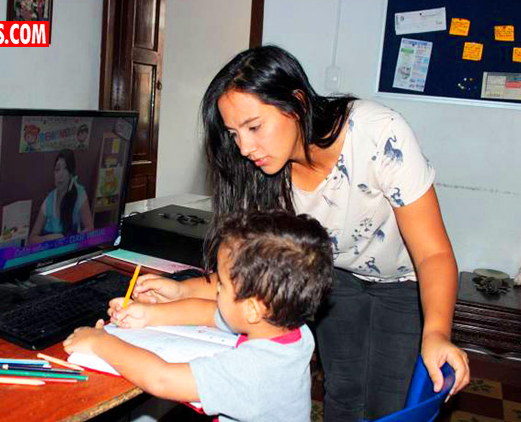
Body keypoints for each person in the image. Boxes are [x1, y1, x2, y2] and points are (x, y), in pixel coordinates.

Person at [130, 46, 470, 421]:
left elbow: (433, 254)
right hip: (334, 276)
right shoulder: (262, 175)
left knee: (387, 401)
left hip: (403, 280)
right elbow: (251, 272)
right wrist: (182, 289)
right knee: (343, 390)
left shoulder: (378, 134)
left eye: (254, 127)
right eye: (234, 134)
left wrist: (437, 333)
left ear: (297, 104)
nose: (244, 148)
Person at [63, 211, 334, 422]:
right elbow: (209, 313)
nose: (215, 290)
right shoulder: (292, 328)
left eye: (222, 285)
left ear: (252, 309)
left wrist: (100, 341)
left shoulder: (254, 371)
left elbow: (162, 379)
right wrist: (149, 315)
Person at [29, 149, 93, 244]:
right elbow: (32, 239)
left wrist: (74, 240)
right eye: (57, 169)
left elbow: (90, 228)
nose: (60, 175)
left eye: (65, 169)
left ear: (71, 173)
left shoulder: (80, 194)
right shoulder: (49, 200)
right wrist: (50, 238)